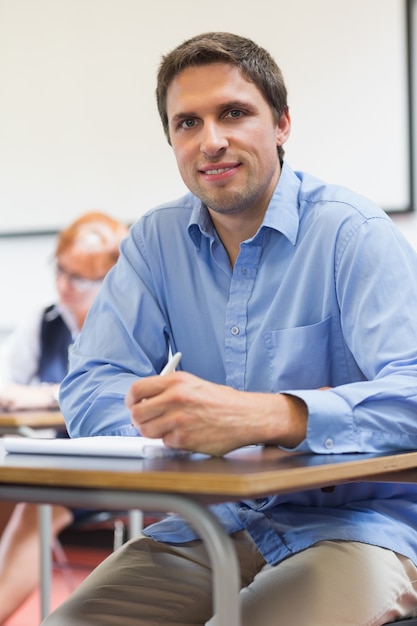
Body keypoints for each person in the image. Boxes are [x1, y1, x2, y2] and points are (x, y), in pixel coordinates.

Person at [43, 31, 417, 626]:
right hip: (213, 522)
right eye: (187, 123)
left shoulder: (352, 232)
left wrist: (275, 415)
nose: (211, 141)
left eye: (234, 113)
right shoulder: (153, 242)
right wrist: (164, 431)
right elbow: (93, 381)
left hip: (356, 527)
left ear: (282, 125)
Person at [0, 211, 128, 624]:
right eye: (61, 270)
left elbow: (123, 397)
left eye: (79, 279)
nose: (63, 286)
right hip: (54, 455)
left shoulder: (129, 326)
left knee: (38, 502)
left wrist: (43, 396)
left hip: (114, 459)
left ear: (111, 280)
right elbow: (7, 385)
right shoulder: (46, 321)